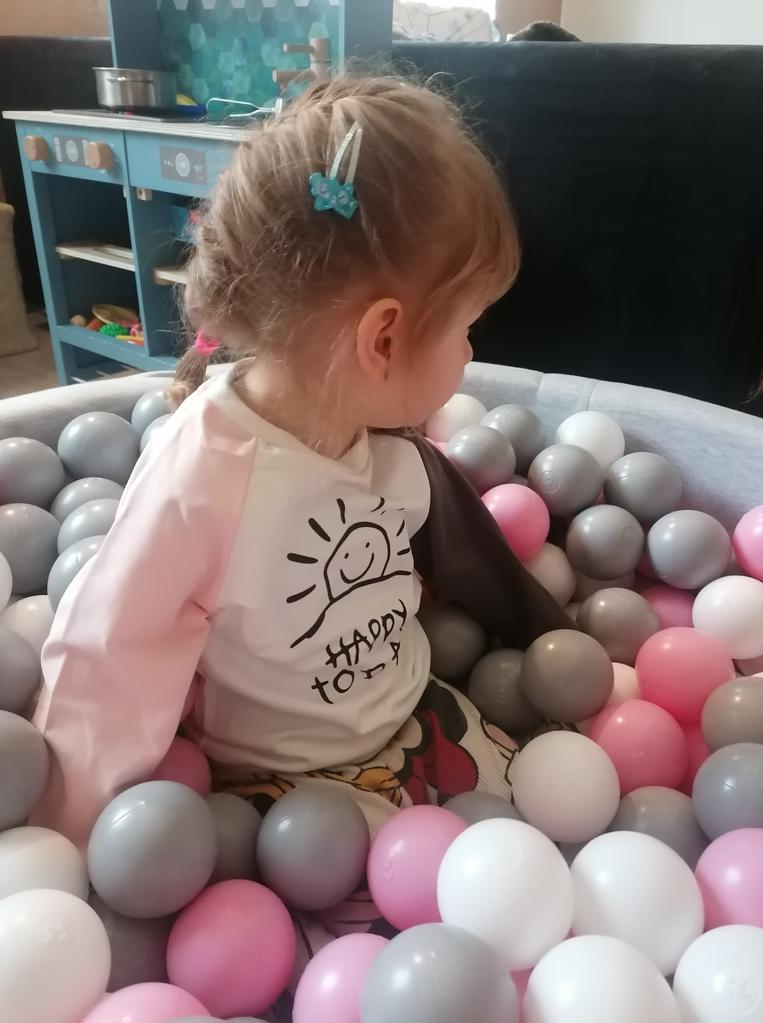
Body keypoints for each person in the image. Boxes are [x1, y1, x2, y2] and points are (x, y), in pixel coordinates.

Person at [33, 77, 569, 924]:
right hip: (284, 794)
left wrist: (543, 629)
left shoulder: (379, 429)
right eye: (467, 327)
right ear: (382, 339)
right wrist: (63, 847)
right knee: (374, 931)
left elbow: (460, 543)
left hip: (419, 715)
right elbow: (110, 651)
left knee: (539, 846)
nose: (470, 354)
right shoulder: (207, 476)